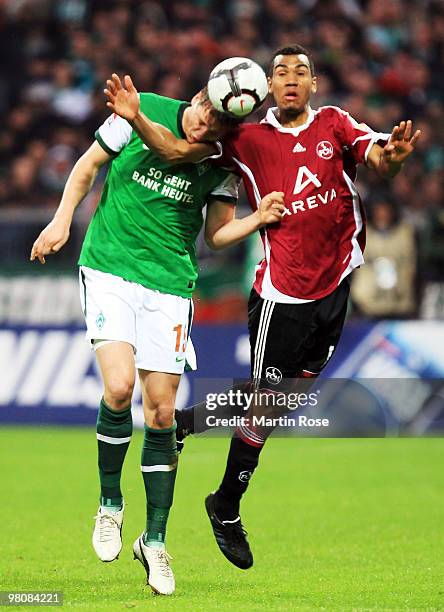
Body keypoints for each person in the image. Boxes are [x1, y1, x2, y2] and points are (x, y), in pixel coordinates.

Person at [104, 44, 421, 571]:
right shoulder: (244, 139)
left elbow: (379, 159)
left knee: (279, 400)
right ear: (265, 88)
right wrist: (137, 118)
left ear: (314, 84)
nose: (291, 79)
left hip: (336, 283)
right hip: (281, 294)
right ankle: (225, 506)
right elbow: (177, 153)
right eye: (281, 72)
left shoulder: (336, 125)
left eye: (301, 72)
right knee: (265, 403)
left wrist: (395, 157)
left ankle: (185, 425)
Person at [30, 82, 285, 595]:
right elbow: (87, 166)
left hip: (169, 286)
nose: (205, 125)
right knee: (119, 388)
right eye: (203, 114)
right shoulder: (142, 106)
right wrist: (61, 220)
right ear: (196, 97)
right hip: (110, 268)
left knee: (164, 413)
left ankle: (156, 540)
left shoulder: (217, 157)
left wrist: (256, 219)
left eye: (218, 126)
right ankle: (109, 505)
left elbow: (214, 234)